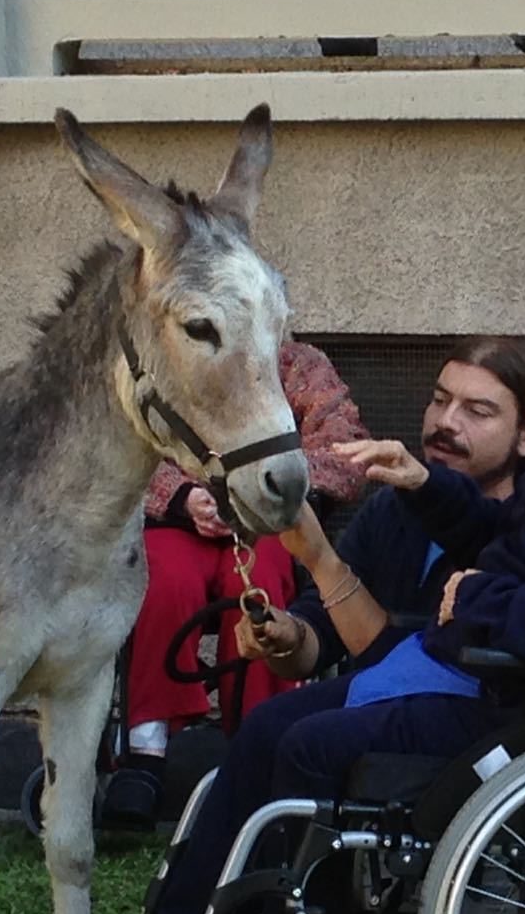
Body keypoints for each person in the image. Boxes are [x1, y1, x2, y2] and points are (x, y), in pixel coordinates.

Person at [74, 307, 525, 914]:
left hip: (524, 703)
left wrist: (480, 596)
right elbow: (502, 539)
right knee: (272, 723)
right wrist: (424, 487)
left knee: (311, 748)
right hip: (469, 671)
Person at [101, 340, 368, 827]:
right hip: (180, 524)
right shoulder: (170, 365)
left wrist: (269, 491)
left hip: (266, 526)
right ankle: (144, 750)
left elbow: (344, 448)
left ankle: (259, 740)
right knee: (163, 579)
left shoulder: (299, 366)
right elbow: (122, 443)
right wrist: (181, 497)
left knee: (262, 587)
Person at [234, 336, 525, 686]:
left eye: (477, 412)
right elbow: (323, 631)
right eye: (440, 401)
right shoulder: (391, 508)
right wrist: (289, 635)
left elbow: (405, 666)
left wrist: (321, 561)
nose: (447, 422)